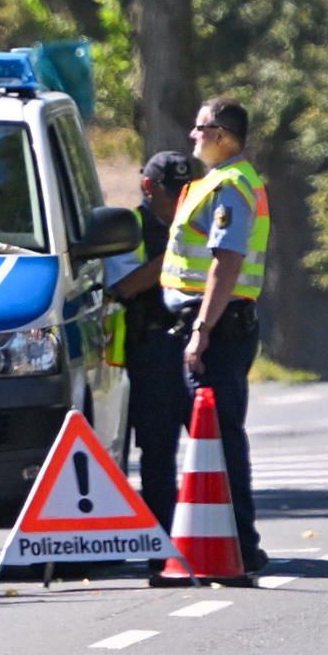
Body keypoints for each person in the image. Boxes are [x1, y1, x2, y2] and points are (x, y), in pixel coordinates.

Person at [160, 97, 271, 573]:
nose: (193, 135)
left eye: (200, 127)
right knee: (210, 437)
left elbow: (226, 262)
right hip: (209, 323)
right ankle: (222, 543)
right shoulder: (215, 182)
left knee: (219, 436)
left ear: (221, 135)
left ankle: (240, 547)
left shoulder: (230, 186)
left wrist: (202, 329)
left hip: (218, 327)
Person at [104, 151, 196, 533]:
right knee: (158, 450)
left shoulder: (202, 225)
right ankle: (163, 542)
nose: (180, 200)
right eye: (172, 191)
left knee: (215, 443)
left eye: (187, 190)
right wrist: (179, 251)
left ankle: (222, 539)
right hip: (151, 350)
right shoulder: (131, 230)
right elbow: (125, 286)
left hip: (196, 345)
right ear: (148, 187)